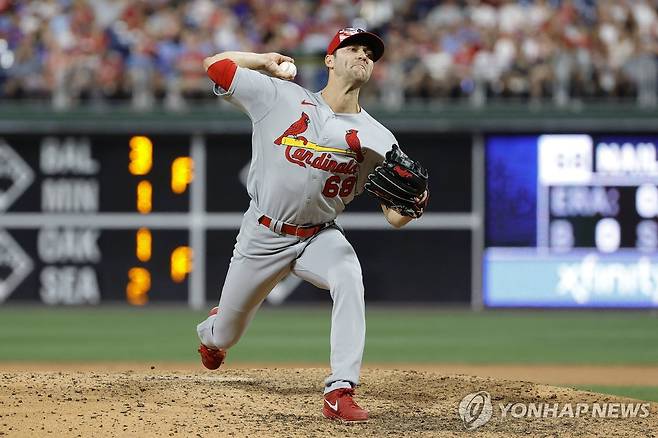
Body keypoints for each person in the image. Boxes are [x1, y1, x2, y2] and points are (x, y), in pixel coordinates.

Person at [196, 27, 428, 422]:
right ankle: (215, 329)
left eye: (369, 53)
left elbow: (394, 217)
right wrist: (262, 61)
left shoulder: (379, 138)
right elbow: (214, 66)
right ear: (329, 60)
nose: (363, 56)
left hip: (319, 234)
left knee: (348, 274)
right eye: (352, 49)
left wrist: (416, 203)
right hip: (263, 233)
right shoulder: (281, 97)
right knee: (225, 336)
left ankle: (341, 390)